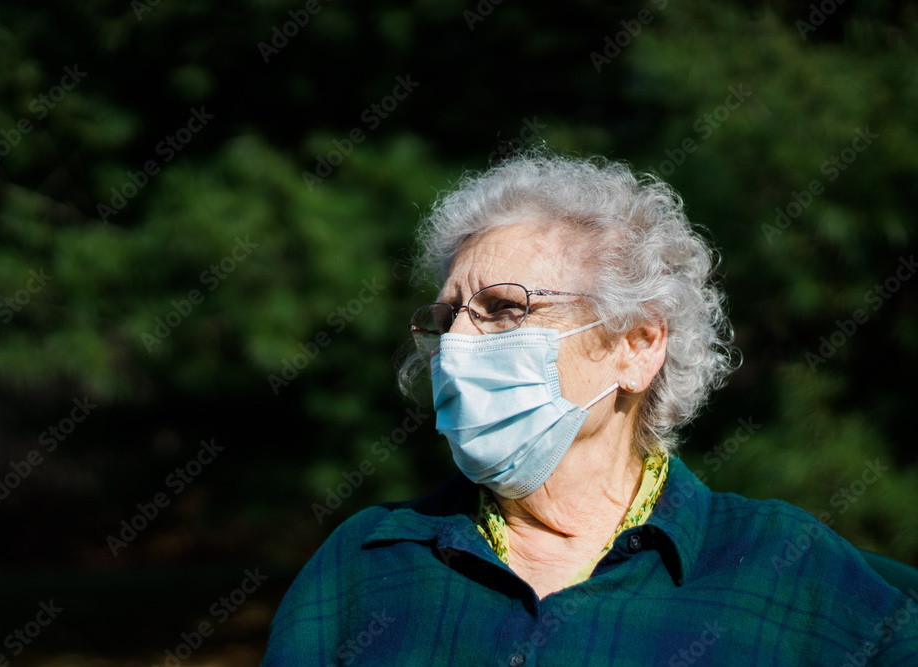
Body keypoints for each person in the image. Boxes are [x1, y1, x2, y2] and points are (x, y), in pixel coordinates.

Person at [263, 153, 918, 665]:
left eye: (504, 308)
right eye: (445, 316)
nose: (455, 345)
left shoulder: (779, 564)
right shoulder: (368, 563)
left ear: (636, 345)